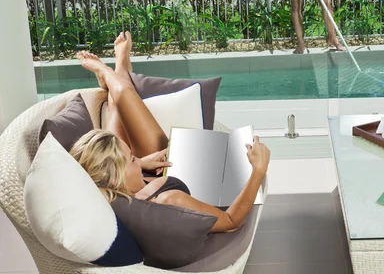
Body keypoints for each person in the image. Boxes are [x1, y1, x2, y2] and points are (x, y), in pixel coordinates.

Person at [70, 32, 270, 233]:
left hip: (144, 178)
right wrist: (258, 170)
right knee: (123, 97)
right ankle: (111, 71)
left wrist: (141, 162)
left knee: (118, 110)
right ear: (115, 178)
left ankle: (119, 70)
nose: (138, 159)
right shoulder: (168, 202)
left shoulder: (110, 190)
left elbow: (117, 167)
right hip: (191, 181)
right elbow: (231, 221)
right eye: (132, 159)